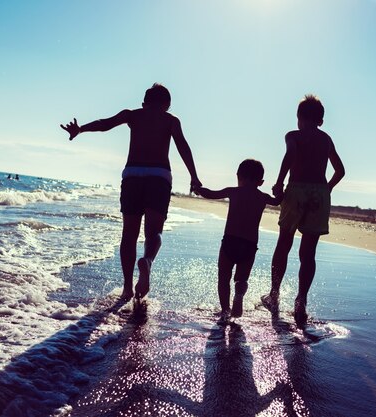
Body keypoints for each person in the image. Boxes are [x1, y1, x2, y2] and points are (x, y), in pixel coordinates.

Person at [61, 83, 202, 300]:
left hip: (133, 175)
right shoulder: (171, 120)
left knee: (129, 234)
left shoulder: (132, 115)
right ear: (167, 104)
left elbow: (104, 124)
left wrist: (80, 129)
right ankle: (147, 261)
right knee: (154, 232)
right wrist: (194, 176)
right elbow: (183, 145)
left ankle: (127, 287)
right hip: (159, 176)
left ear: (144, 102)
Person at [261, 94, 345, 328]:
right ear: (321, 120)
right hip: (319, 195)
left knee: (284, 244)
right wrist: (325, 189)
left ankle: (274, 294)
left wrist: (279, 183)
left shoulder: (293, 135)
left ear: (299, 117)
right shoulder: (326, 139)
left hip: (296, 191)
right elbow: (340, 170)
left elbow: (290, 155)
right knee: (308, 254)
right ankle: (301, 302)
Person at [194, 159, 282, 322]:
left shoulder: (233, 192)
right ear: (261, 182)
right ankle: (239, 295)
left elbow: (211, 194)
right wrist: (279, 191)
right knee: (241, 279)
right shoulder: (263, 197)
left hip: (230, 242)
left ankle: (225, 311)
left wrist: (198, 189)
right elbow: (278, 201)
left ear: (238, 176)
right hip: (249, 245)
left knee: (223, 277)